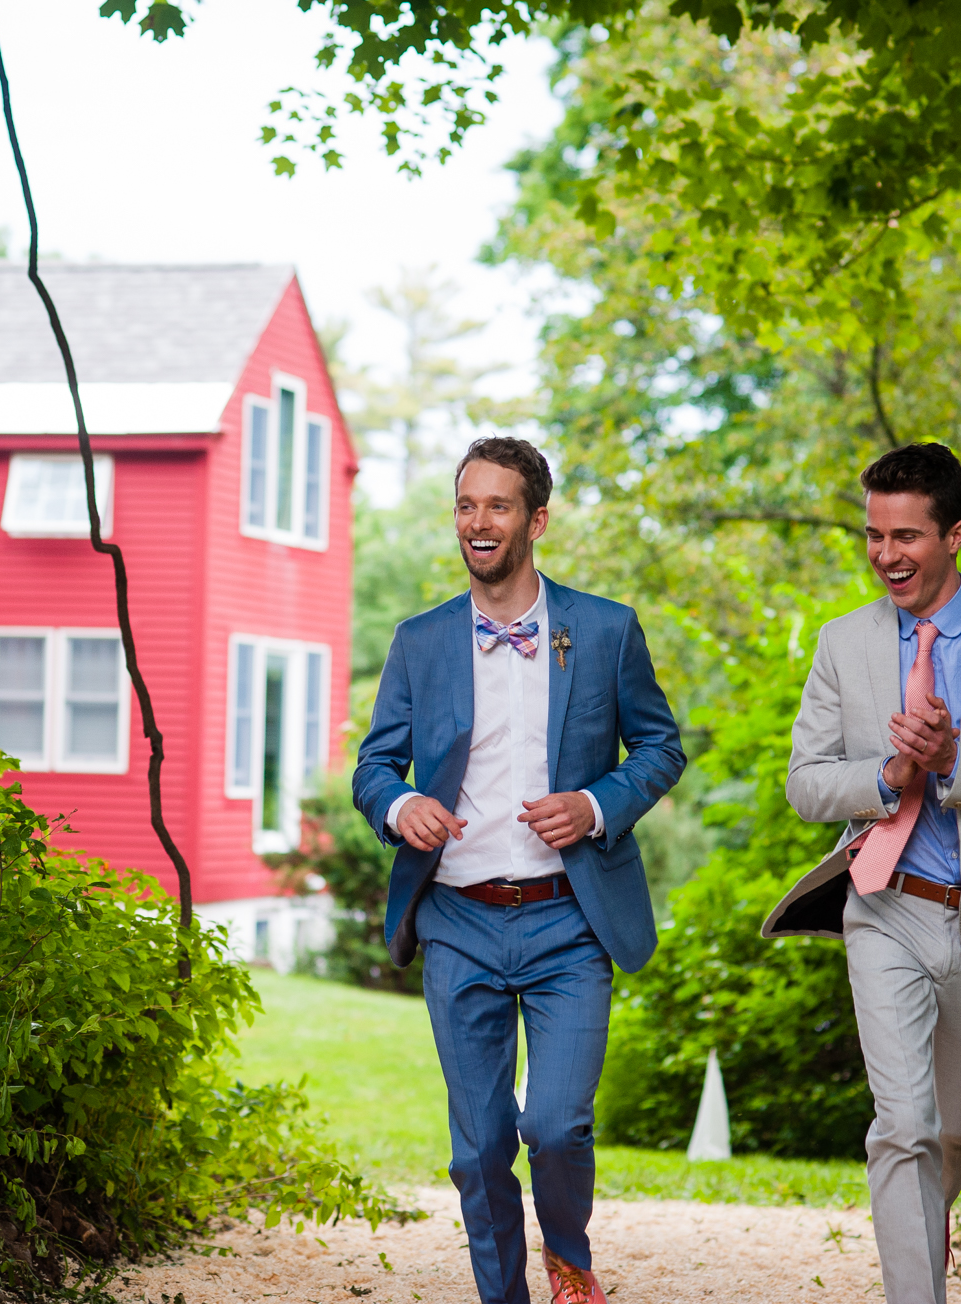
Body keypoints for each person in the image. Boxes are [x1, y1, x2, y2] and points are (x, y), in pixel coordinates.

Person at [353, 437, 685, 1304]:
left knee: (557, 1124)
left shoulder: (605, 629)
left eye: (497, 506)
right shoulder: (420, 640)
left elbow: (659, 745)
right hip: (456, 917)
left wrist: (597, 804)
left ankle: (568, 1252)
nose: (478, 522)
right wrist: (399, 806)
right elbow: (373, 766)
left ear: (535, 519)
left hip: (570, 917)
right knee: (479, 1146)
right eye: (467, 505)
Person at [764, 442, 961, 1304]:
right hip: (885, 905)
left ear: (956, 535)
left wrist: (953, 762)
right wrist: (886, 776)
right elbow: (803, 784)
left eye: (905, 535)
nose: (886, 555)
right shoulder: (841, 644)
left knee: (951, 1137)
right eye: (873, 535)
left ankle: (918, 1261)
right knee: (902, 1125)